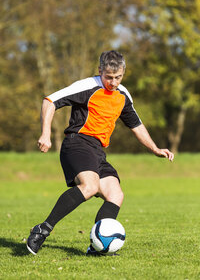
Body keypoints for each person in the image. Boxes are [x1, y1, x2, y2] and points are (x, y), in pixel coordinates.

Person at [26, 50, 174, 256]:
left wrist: (155, 149)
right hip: (77, 143)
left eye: (118, 77)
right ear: (100, 71)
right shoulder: (87, 87)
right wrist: (45, 134)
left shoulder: (122, 95)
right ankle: (42, 230)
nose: (113, 82)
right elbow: (49, 101)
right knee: (90, 186)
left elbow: (136, 124)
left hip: (97, 150)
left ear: (123, 73)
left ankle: (97, 248)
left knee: (115, 194)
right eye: (109, 77)